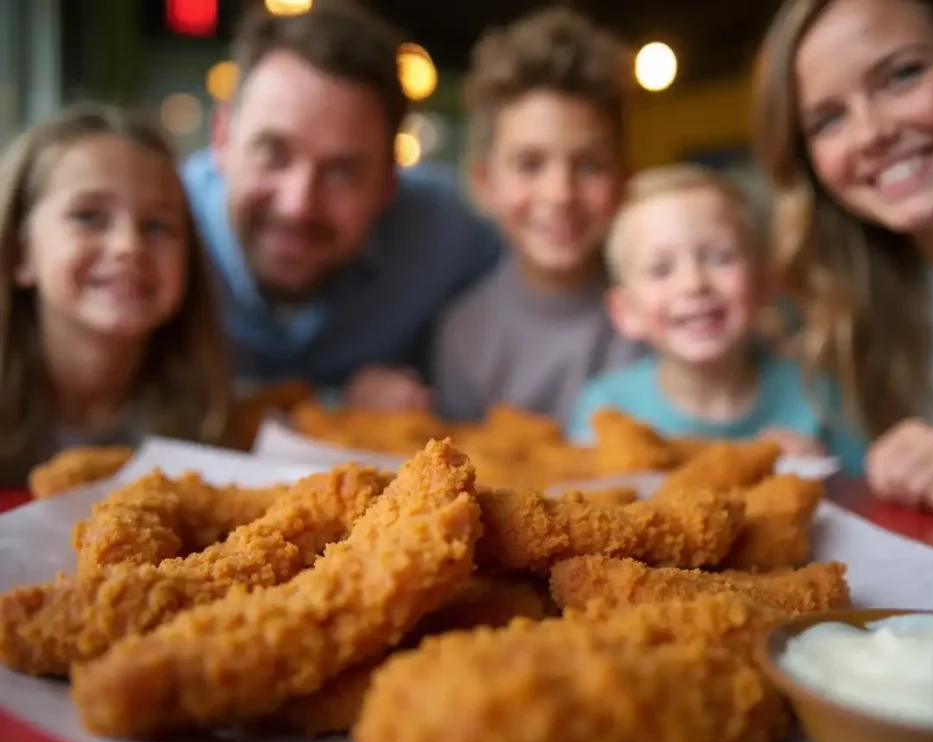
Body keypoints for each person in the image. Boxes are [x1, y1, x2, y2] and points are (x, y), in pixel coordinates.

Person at [755, 0, 933, 509]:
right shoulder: (846, 315)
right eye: (829, 120)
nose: (872, 133)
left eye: (903, 75)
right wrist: (814, 461)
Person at [182, 0, 501, 410]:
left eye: (342, 173)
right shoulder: (153, 224)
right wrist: (337, 399)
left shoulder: (446, 231)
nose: (298, 205)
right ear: (222, 138)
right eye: (274, 152)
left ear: (389, 181)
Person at [569, 164, 866, 469]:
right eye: (661, 269)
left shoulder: (817, 394)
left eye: (721, 257)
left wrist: (823, 470)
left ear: (765, 284)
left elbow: (868, 502)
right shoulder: (606, 410)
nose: (694, 283)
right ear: (626, 312)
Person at [431, 8, 646, 425]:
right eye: (529, 164)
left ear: (624, 181)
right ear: (484, 183)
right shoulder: (463, 334)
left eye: (589, 165)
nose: (560, 194)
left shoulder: (662, 313)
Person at [0, 103, 232, 487]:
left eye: (158, 226)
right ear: (20, 252)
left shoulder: (207, 418)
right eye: (89, 216)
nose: (129, 245)